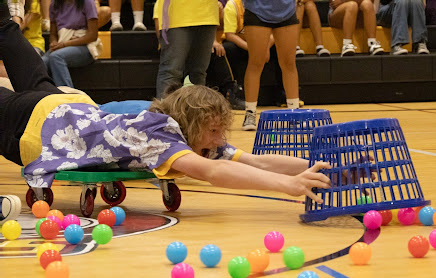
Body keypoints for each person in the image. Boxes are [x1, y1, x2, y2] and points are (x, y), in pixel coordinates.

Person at [0, 12, 333, 205]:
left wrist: (324, 171)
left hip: (66, 106)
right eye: (214, 131)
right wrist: (287, 186)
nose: (219, 140)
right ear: (189, 123)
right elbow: (215, 174)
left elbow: (256, 160)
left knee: (13, 41)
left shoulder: (192, 137)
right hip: (40, 124)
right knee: (25, 75)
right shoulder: (161, 136)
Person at [240, 0, 301, 131]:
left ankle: (294, 113)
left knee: (289, 64)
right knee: (256, 63)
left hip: (287, 11)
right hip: (257, 10)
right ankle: (250, 113)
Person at [154, 0, 219, 99]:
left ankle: (194, 112)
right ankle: (165, 112)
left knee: (198, 73)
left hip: (208, 15)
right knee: (171, 71)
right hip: (175, 15)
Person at [41, 0, 102, 88]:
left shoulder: (87, 2)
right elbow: (53, 34)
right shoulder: (54, 4)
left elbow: (92, 36)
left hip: (85, 46)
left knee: (56, 57)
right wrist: (53, 42)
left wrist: (65, 44)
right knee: (42, 62)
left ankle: (68, 94)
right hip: (62, 44)